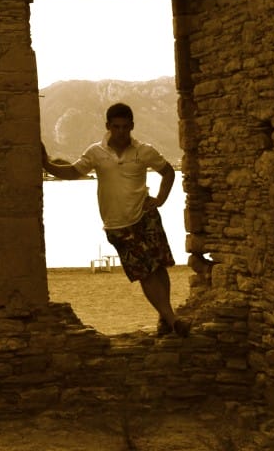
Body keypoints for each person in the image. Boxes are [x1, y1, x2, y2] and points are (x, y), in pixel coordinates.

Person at [41, 101, 189, 337]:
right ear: (108, 126)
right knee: (144, 272)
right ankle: (173, 320)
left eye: (125, 127)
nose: (121, 132)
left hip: (146, 215)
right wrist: (46, 164)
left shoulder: (144, 150)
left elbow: (168, 172)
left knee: (158, 267)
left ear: (132, 126)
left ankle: (166, 318)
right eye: (116, 127)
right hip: (118, 225)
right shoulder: (95, 153)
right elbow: (73, 172)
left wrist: (160, 199)